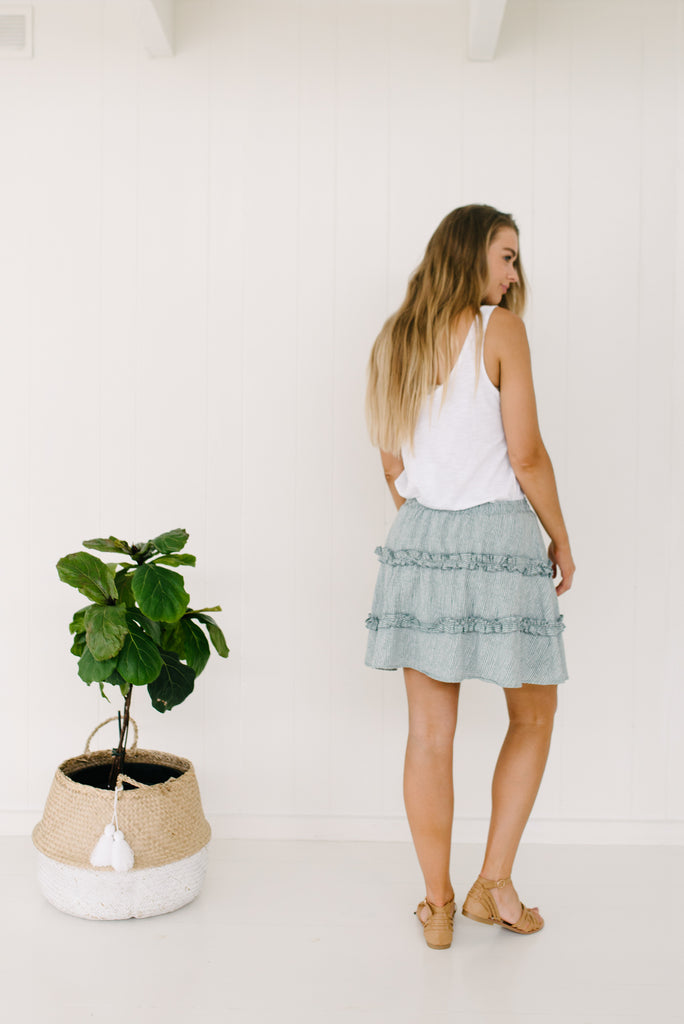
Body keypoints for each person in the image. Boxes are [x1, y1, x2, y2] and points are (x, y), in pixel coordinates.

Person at [364, 204, 575, 949]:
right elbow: (526, 454)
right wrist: (561, 537)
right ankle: (494, 884)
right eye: (507, 255)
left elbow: (392, 465)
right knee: (534, 716)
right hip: (501, 541)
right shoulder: (498, 330)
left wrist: (432, 527)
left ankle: (438, 905)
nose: (515, 273)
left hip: (419, 539)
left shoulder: (395, 339)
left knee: (428, 735)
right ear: (470, 253)